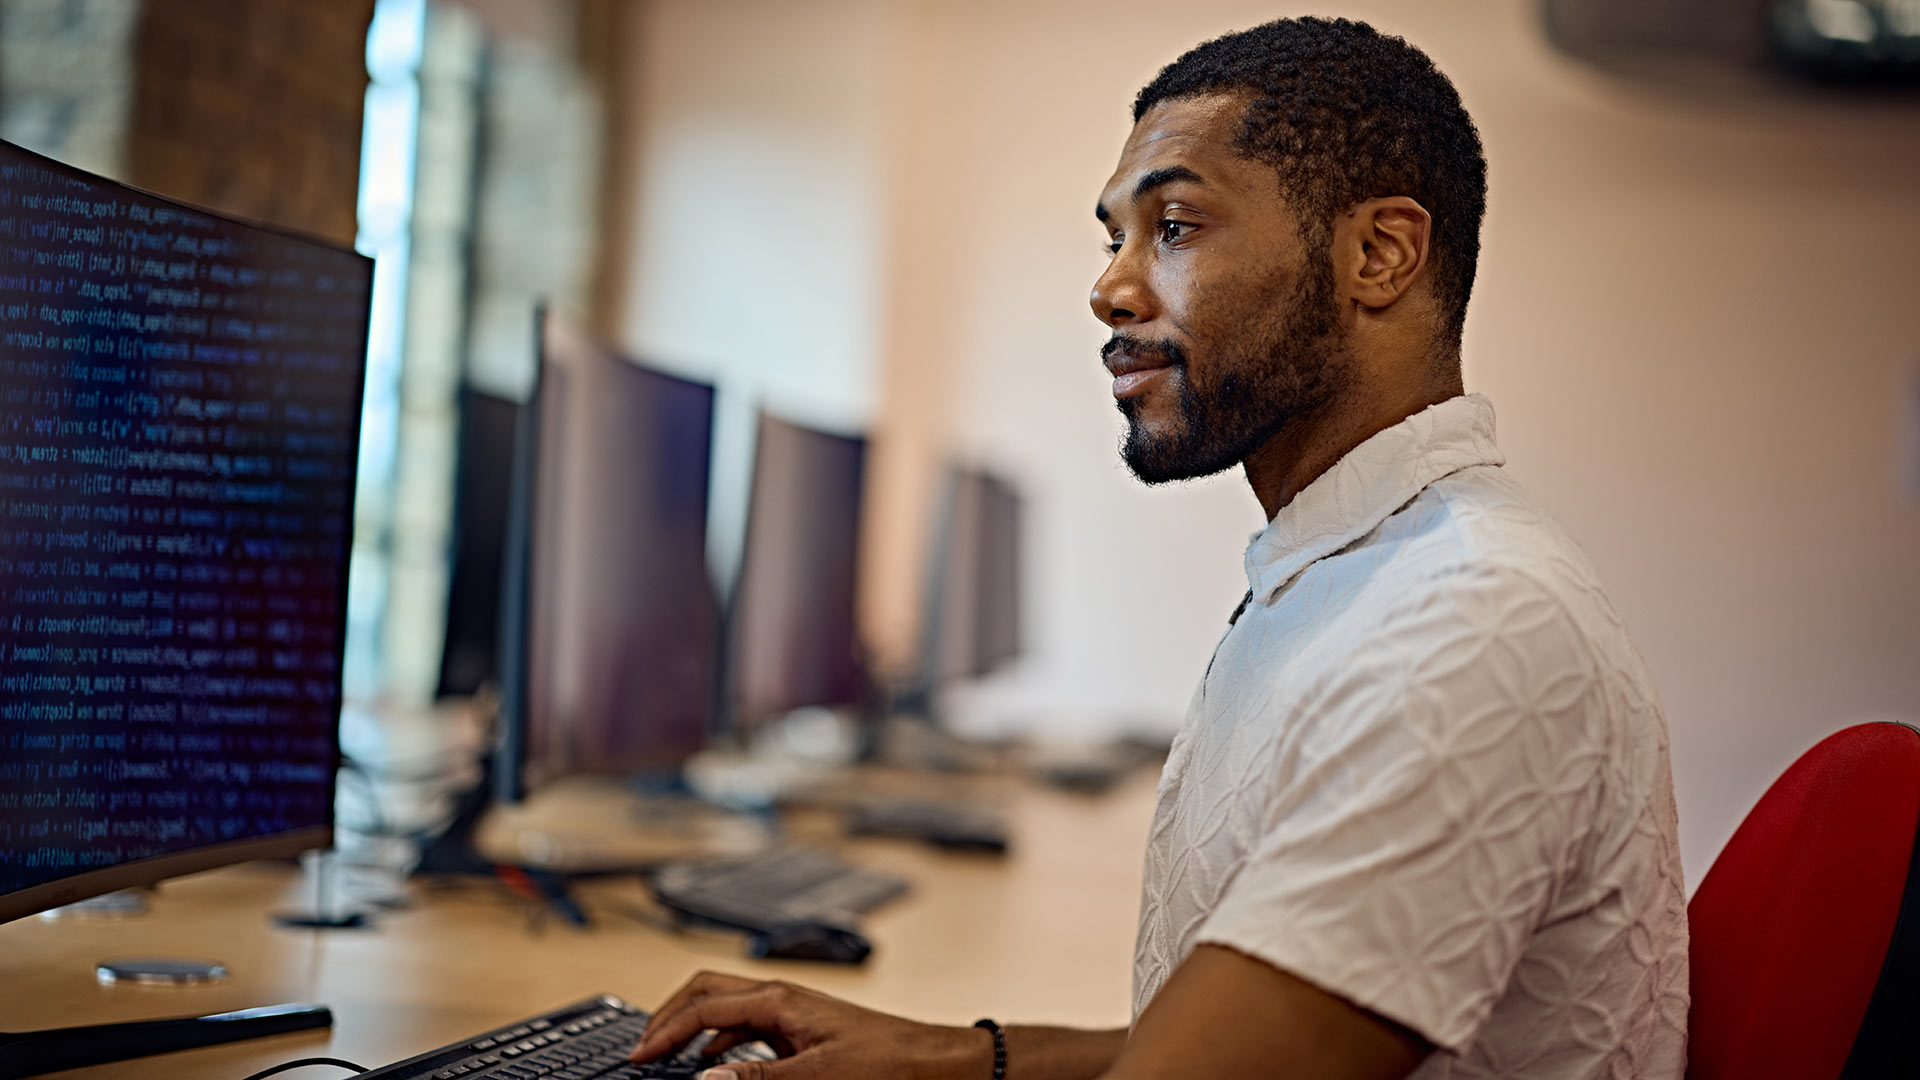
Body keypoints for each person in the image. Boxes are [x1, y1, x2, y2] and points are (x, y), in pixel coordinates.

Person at [629, 16, 1688, 1080]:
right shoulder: (1363, 574)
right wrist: (955, 1057)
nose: (1111, 289)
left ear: (1379, 255)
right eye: (1114, 238)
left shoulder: (1468, 628)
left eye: (1174, 227)